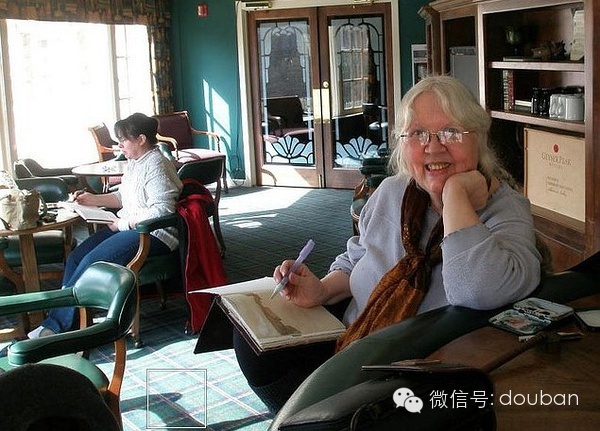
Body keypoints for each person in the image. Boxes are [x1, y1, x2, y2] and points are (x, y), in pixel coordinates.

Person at [233, 75, 544, 412]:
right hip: (354, 341)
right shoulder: (393, 192)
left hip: (418, 374)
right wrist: (321, 290)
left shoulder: (506, 211)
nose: (434, 147)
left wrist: (456, 196)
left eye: (451, 132)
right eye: (418, 134)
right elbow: (357, 258)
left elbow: (476, 290)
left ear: (478, 139)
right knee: (252, 342)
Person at [28, 112, 183, 338]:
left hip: (155, 233)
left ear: (141, 139)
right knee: (76, 257)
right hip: (131, 227)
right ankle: (68, 320)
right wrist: (91, 199)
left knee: (92, 262)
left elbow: (162, 210)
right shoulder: (134, 163)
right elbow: (123, 197)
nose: (119, 145)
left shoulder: (157, 165)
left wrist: (123, 224)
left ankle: (55, 327)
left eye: (123, 140)